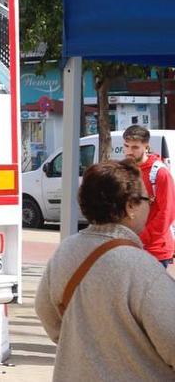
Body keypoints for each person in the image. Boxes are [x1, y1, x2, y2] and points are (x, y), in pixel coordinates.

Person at [35, 160, 175, 379]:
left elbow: (45, 311)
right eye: (148, 199)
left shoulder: (65, 250)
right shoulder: (143, 269)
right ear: (130, 206)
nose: (150, 205)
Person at [121, 124, 175, 265]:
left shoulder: (160, 173)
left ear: (146, 146)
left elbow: (167, 213)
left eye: (135, 147)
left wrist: (142, 238)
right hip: (130, 246)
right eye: (126, 146)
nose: (129, 151)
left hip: (155, 250)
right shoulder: (126, 170)